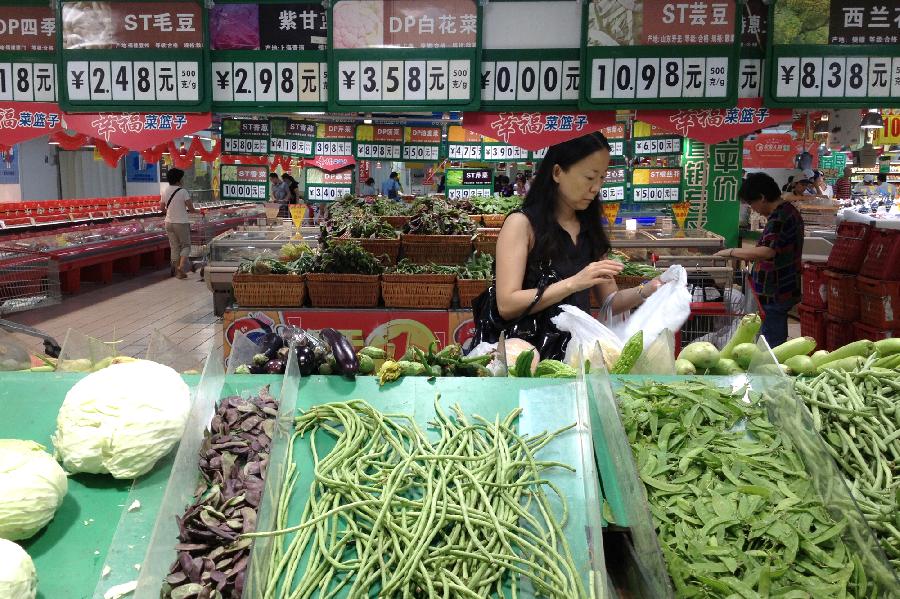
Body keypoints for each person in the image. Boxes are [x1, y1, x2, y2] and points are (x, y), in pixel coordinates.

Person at [495, 133, 662, 359]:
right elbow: (507, 304)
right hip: (527, 359)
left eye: (602, 178)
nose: (596, 188)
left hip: (578, 358)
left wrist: (649, 289)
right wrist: (574, 283)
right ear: (557, 173)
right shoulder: (521, 224)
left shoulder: (588, 228)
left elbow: (610, 302)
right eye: (590, 177)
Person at [715, 172, 804, 347]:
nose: (752, 209)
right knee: (769, 334)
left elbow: (767, 252)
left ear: (762, 197)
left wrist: (731, 252)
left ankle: (771, 370)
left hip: (776, 289)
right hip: (778, 288)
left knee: (770, 341)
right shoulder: (785, 212)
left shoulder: (780, 216)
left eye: (751, 203)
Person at [160, 168, 196, 280]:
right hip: (181, 222)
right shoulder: (183, 191)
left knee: (174, 247)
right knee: (186, 246)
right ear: (178, 179)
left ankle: (178, 272)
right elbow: (191, 208)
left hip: (168, 222)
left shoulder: (165, 191)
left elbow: (162, 208)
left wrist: (171, 213)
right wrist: (198, 211)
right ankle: (181, 267)